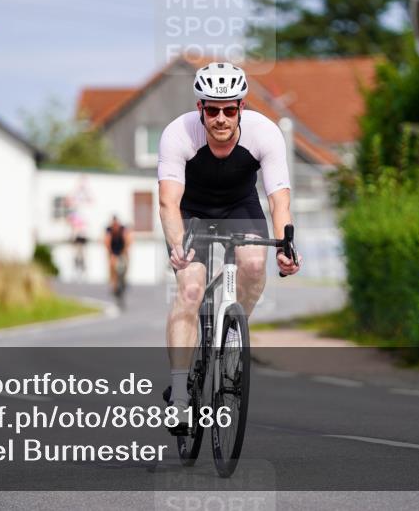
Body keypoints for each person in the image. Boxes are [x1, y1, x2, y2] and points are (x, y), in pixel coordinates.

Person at [158, 62, 301, 430]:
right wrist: (177, 244)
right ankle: (179, 393)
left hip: (240, 207)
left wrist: (286, 244)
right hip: (193, 212)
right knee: (190, 290)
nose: (221, 118)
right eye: (212, 110)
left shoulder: (264, 134)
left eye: (230, 109)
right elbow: (168, 203)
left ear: (241, 107)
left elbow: (278, 201)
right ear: (200, 109)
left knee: (254, 265)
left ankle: (234, 335)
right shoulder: (179, 135)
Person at [104, 215, 132, 302]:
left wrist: (125, 251)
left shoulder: (122, 229)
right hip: (113, 251)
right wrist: (110, 253)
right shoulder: (109, 230)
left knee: (126, 263)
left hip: (122, 249)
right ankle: (113, 283)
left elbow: (128, 240)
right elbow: (107, 242)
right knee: (112, 265)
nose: (115, 227)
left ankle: (124, 280)